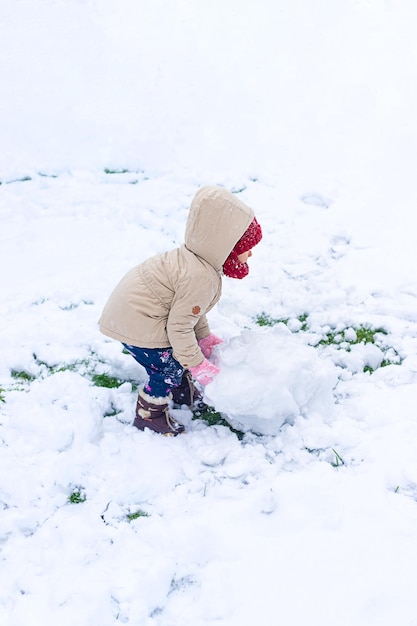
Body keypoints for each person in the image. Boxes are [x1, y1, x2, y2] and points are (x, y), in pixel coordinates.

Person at [98, 185, 262, 436]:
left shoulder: (198, 262)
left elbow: (189, 311)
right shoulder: (200, 276)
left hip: (137, 317)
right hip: (137, 323)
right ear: (226, 245)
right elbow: (180, 326)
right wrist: (198, 364)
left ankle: (183, 394)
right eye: (245, 246)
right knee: (168, 369)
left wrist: (204, 336)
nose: (250, 253)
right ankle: (149, 415)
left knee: (181, 354)